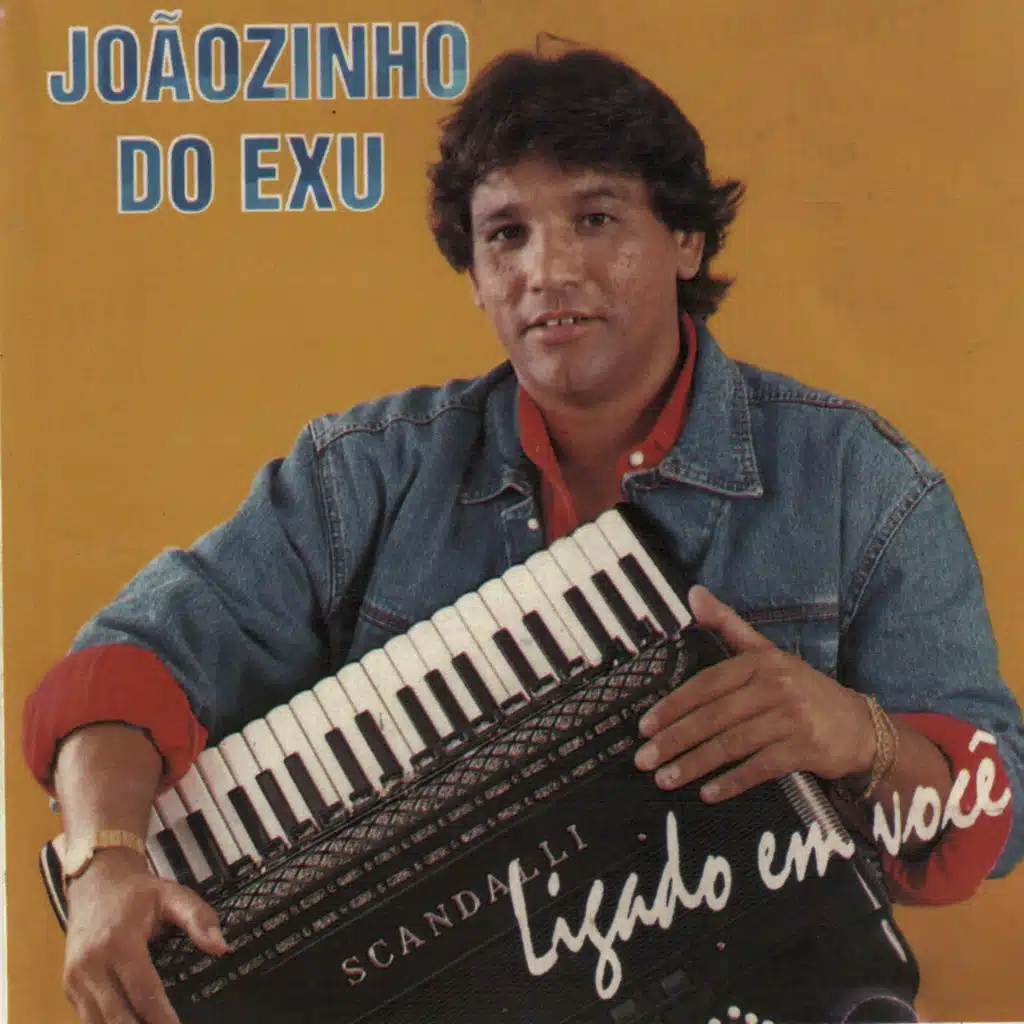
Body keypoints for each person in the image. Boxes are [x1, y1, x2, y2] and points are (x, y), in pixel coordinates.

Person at [21, 47, 1023, 1024]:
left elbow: (996, 807)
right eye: (505, 234)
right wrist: (104, 859)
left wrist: (862, 737)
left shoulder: (858, 482)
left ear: (685, 241)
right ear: (472, 272)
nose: (546, 271)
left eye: (596, 218)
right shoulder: (358, 478)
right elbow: (124, 667)